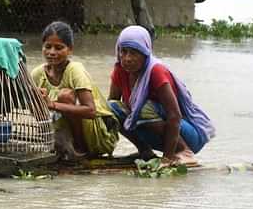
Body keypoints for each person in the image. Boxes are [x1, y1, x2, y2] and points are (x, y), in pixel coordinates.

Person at [107, 25, 216, 166]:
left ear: (145, 53)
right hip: (155, 132)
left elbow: (175, 115)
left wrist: (167, 158)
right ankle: (145, 151)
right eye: (124, 52)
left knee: (142, 107)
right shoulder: (120, 69)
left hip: (185, 134)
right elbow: (112, 104)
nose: (127, 58)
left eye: (134, 53)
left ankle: (184, 151)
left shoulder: (156, 71)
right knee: (111, 108)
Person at [29, 21, 120, 160]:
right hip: (62, 131)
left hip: (97, 135)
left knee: (65, 95)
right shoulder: (37, 73)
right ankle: (53, 145)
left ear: (70, 50)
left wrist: (52, 105)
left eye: (59, 48)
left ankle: (80, 149)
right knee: (35, 98)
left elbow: (91, 111)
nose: (52, 52)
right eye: (48, 47)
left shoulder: (74, 70)